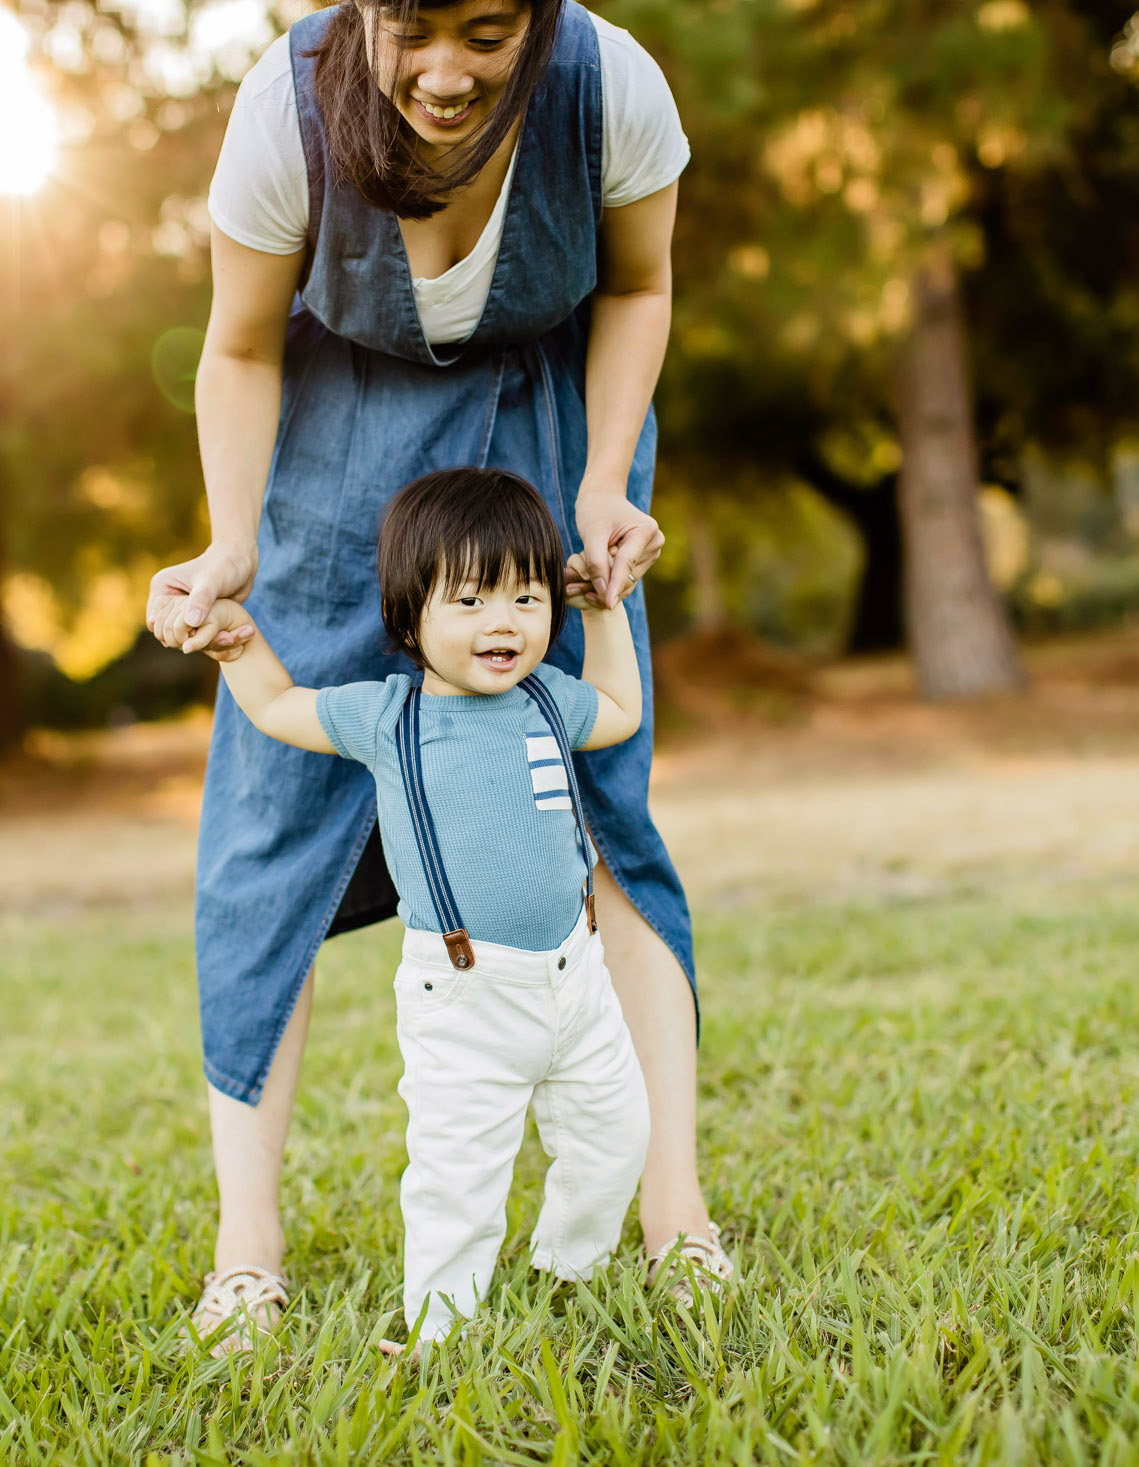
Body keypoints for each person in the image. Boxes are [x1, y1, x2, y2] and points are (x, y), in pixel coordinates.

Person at [145, 0, 732, 1349]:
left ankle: (675, 1216)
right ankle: (248, 1249)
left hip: (545, 433)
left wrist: (599, 479)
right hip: (334, 451)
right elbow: (237, 344)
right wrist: (233, 540)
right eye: (414, 29)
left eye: (485, 29)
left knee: (596, 808)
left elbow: (638, 287)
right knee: (272, 823)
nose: (447, 73)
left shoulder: (610, 89)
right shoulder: (281, 112)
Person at [172, 468, 650, 1348]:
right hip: (465, 999)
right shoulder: (387, 717)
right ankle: (441, 1329)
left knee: (619, 1135)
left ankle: (570, 1265)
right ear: (408, 618)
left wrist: (604, 612)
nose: (502, 621)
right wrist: (238, 648)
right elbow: (280, 707)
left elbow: (622, 709)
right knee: (456, 1176)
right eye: (468, 599)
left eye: (526, 597)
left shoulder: (550, 701)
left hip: (576, 983)